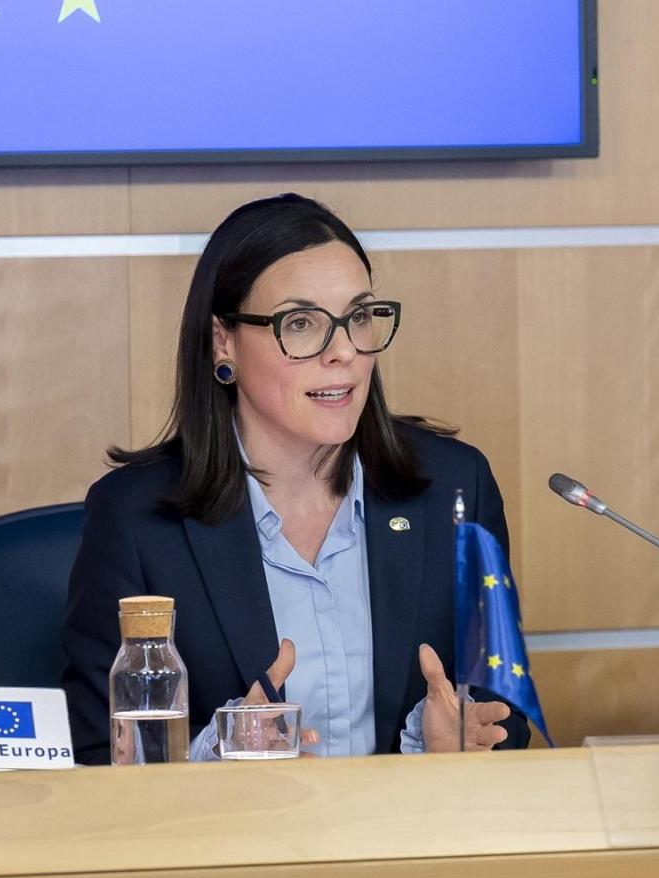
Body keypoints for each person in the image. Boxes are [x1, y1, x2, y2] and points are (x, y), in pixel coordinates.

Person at [61, 193, 529, 764]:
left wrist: (445, 740)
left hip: (414, 837)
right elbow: (93, 759)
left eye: (358, 317)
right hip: (234, 846)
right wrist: (224, 751)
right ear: (223, 341)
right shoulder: (136, 519)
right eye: (301, 323)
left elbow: (507, 711)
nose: (344, 353)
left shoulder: (456, 487)